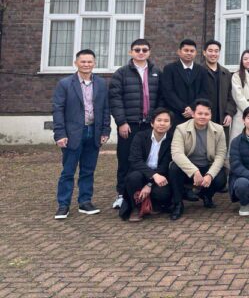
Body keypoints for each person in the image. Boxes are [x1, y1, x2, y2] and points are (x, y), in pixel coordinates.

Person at [53, 49, 111, 219]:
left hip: (93, 132)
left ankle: (85, 202)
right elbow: (58, 110)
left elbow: (105, 109)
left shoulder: (101, 84)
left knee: (88, 170)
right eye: (83, 61)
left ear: (94, 63)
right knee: (68, 171)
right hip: (72, 134)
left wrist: (105, 130)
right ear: (76, 63)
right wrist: (60, 134)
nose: (86, 64)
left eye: (90, 61)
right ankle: (63, 205)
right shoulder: (64, 84)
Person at [109, 38, 163, 210]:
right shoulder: (121, 73)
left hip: (149, 126)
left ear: (149, 52)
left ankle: (145, 193)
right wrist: (121, 122)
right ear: (130, 52)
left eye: (144, 50)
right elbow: (115, 99)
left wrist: (157, 121)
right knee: (125, 160)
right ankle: (122, 194)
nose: (141, 53)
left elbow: (161, 97)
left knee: (148, 160)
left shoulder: (156, 72)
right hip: (129, 125)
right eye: (137, 50)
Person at [169, 99, 228, 220]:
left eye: (206, 114)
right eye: (200, 113)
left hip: (207, 165)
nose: (203, 117)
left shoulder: (219, 130)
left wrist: (210, 175)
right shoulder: (181, 129)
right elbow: (176, 154)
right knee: (174, 168)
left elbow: (221, 155)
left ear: (210, 115)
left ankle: (206, 195)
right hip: (189, 167)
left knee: (221, 178)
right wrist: (194, 172)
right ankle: (178, 203)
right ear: (193, 114)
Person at [119, 108, 173, 222]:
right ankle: (136, 207)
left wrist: (149, 184)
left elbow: (165, 165)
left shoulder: (171, 140)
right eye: (159, 120)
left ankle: (153, 203)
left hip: (160, 175)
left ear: (170, 125)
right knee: (134, 178)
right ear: (152, 123)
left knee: (163, 193)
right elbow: (135, 160)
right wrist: (153, 176)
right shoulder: (140, 136)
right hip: (141, 172)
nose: (162, 123)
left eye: (166, 121)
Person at [161, 39, 206, 125]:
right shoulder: (169, 69)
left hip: (195, 114)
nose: (189, 53)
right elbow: (168, 92)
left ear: (196, 53)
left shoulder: (202, 70)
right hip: (175, 114)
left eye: (192, 51)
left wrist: (192, 108)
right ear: (179, 52)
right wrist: (184, 108)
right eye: (186, 50)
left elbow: (204, 92)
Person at [200, 40, 236, 133]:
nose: (213, 54)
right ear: (204, 53)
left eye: (216, 51)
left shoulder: (226, 73)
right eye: (210, 51)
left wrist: (229, 113)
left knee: (221, 146)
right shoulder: (198, 71)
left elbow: (231, 97)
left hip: (222, 119)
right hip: (203, 118)